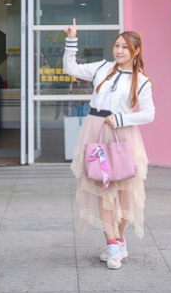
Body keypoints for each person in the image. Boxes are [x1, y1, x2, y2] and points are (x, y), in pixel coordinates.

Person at [63, 18, 155, 270]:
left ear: (135, 51)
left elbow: (149, 113)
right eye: (116, 45)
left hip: (123, 136)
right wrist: (72, 39)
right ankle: (112, 243)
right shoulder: (101, 68)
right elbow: (70, 68)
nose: (119, 50)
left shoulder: (142, 80)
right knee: (103, 188)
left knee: (124, 192)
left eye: (125, 47)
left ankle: (119, 238)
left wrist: (122, 118)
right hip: (95, 131)